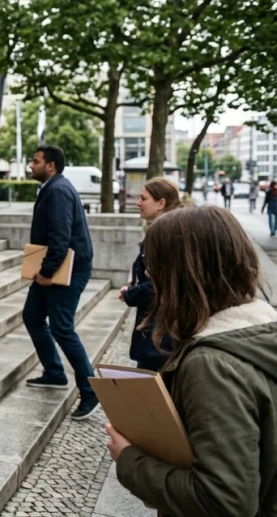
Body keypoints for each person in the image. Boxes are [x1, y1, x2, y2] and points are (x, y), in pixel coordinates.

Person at [107, 205, 277, 517]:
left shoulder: (211, 365)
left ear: (180, 274)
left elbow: (224, 500)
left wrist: (129, 459)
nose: (149, 275)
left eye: (155, 266)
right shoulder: (260, 330)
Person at [24, 145, 99, 420]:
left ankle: (91, 391)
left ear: (50, 165)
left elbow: (60, 236)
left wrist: (46, 271)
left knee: (62, 328)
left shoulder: (58, 191)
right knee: (32, 316)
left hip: (68, 270)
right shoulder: (53, 188)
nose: (31, 165)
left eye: (35, 161)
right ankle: (55, 373)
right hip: (55, 267)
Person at [119, 178, 181, 371]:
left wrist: (130, 294)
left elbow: (162, 284)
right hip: (161, 329)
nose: (138, 203)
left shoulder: (165, 234)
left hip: (160, 332)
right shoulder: (168, 229)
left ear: (161, 203)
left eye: (144, 198)